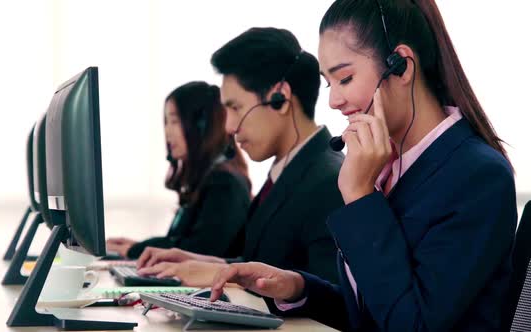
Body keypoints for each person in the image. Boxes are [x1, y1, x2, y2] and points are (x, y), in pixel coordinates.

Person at [209, 1, 517, 331]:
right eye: (329, 83)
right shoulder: (386, 165)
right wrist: (299, 288)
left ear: (401, 66)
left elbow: (412, 324)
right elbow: (374, 308)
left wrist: (359, 196)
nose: (333, 101)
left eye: (345, 78)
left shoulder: (477, 176)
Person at [134, 27, 346, 287]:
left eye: (236, 108)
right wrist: (203, 263)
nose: (229, 127)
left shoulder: (331, 181)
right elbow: (267, 263)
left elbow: (334, 298)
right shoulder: (287, 172)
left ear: (280, 98)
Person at [107, 81, 251, 259]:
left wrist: (136, 250)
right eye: (166, 122)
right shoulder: (206, 179)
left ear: (202, 125)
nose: (167, 131)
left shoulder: (223, 182)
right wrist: (139, 246)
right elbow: (181, 241)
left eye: (174, 121)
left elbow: (200, 250)